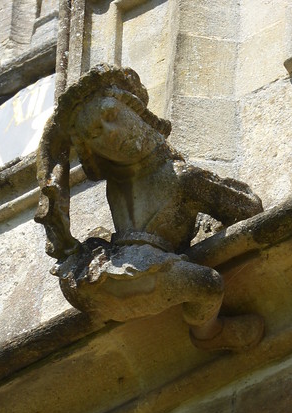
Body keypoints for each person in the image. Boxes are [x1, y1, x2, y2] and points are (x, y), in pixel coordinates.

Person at [35, 64, 264, 351]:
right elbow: (249, 208)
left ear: (134, 110)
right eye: (94, 134)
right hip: (134, 278)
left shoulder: (128, 179)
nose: (110, 134)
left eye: (111, 116)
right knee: (209, 285)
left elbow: (249, 209)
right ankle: (209, 333)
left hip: (89, 286)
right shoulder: (178, 177)